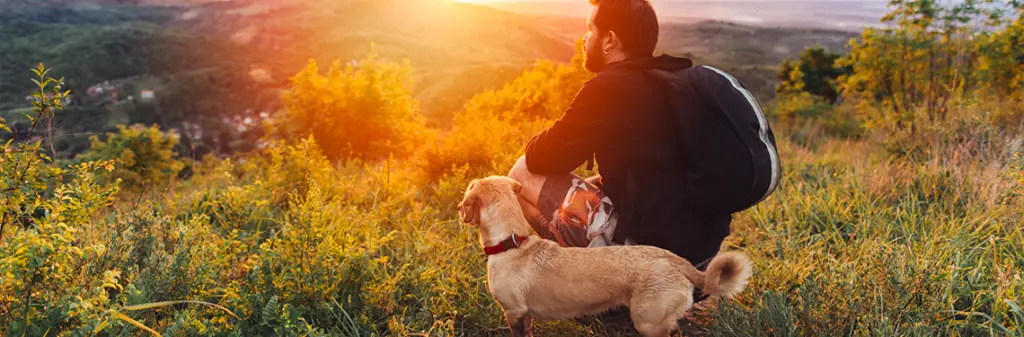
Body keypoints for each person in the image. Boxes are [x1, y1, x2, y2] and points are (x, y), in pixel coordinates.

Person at [507, 0, 780, 307]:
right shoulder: (673, 79)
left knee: (519, 174)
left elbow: (538, 159)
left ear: (610, 40)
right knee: (595, 185)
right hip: (699, 256)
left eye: (590, 29)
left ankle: (582, 287)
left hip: (644, 257)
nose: (584, 39)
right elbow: (656, 168)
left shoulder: (609, 86)